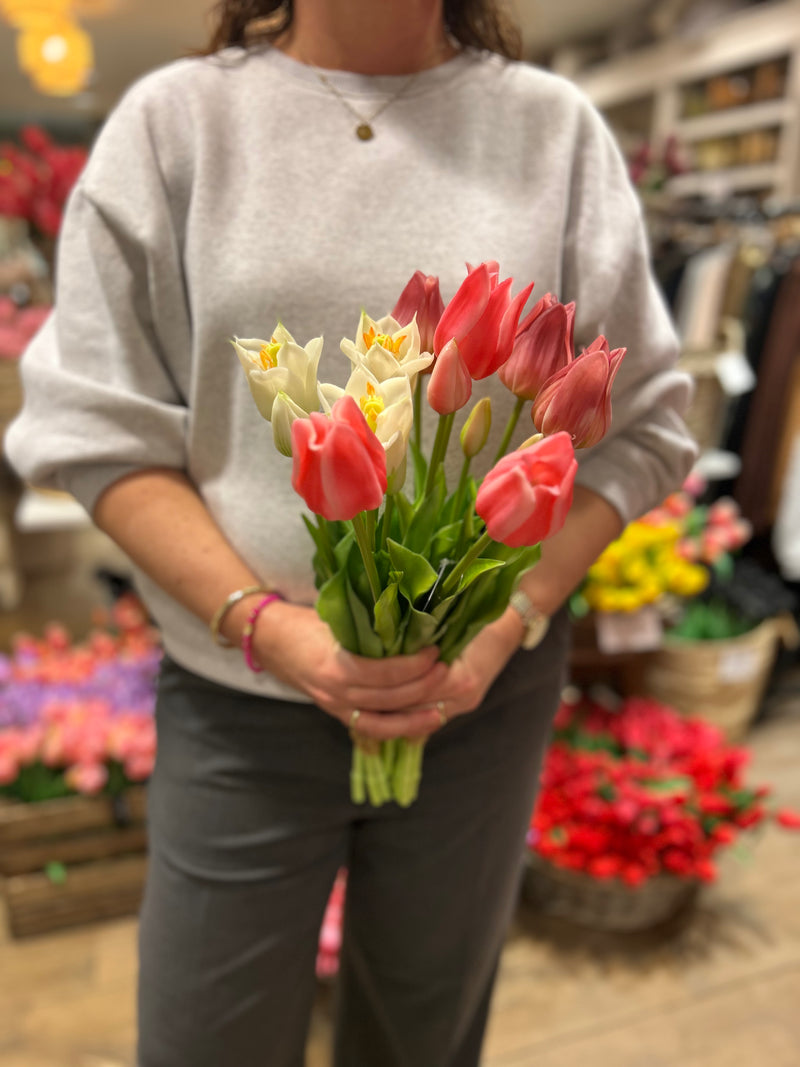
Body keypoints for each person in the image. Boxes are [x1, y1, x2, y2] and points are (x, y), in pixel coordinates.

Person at [4, 1, 698, 1063]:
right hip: (240, 702)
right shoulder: (177, 124)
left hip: (481, 702)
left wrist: (510, 613)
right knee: (205, 1036)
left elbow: (642, 421)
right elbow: (95, 425)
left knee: (423, 1030)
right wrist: (263, 622)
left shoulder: (551, 131)